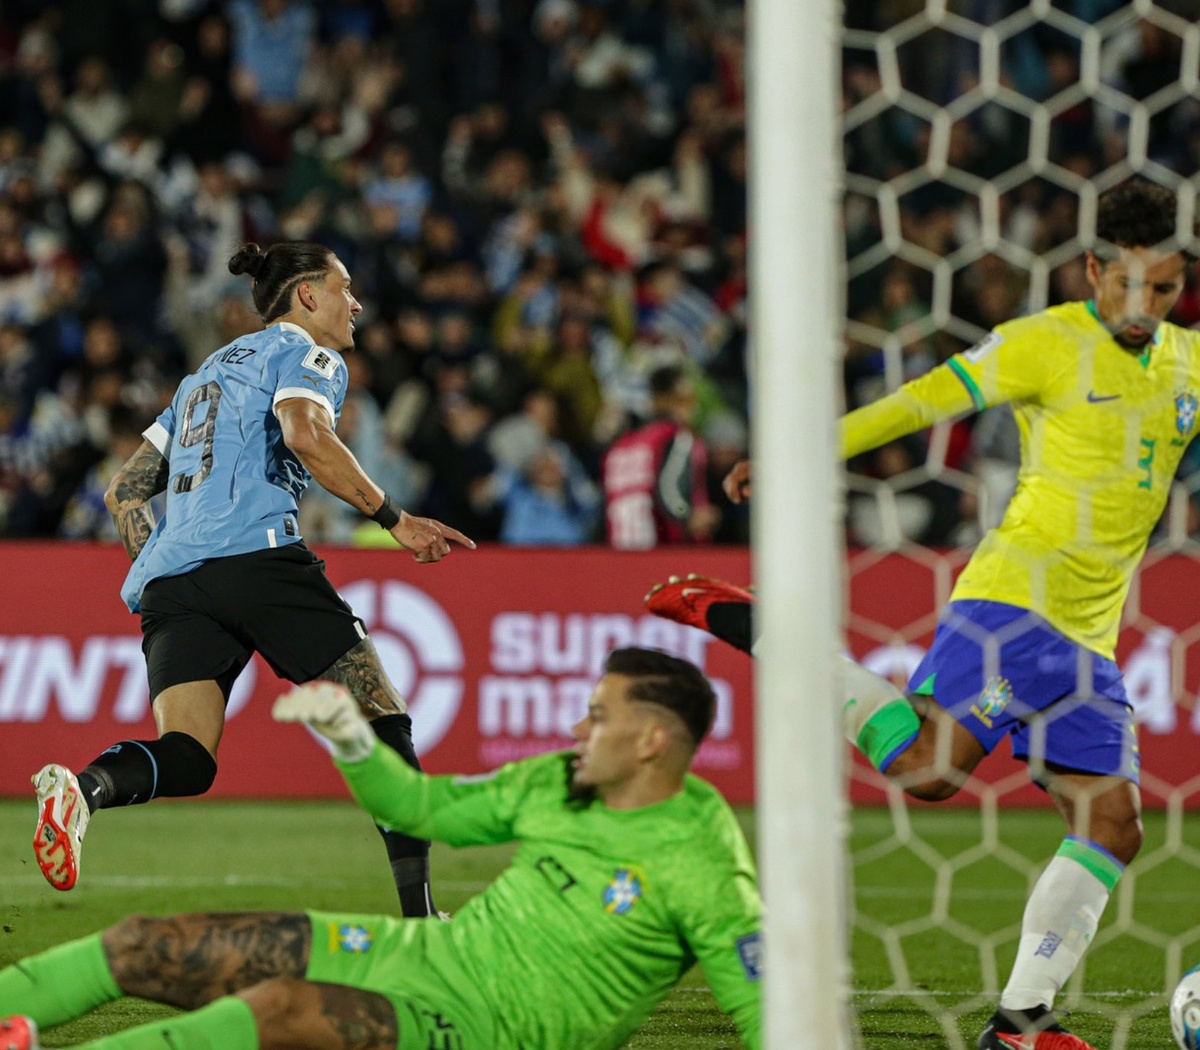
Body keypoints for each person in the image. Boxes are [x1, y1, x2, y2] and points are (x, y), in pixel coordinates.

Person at [647, 176, 1200, 1050]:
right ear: (1093, 270)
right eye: (1127, 283)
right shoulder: (1042, 343)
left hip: (1093, 637)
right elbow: (918, 402)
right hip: (1016, 600)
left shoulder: (1188, 366)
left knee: (1113, 824)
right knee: (931, 771)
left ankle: (1018, 1028)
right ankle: (765, 630)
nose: (1142, 305)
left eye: (1164, 289)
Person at [1, 647, 763, 1050]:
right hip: (425, 958)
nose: (577, 730)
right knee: (148, 942)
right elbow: (421, 807)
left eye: (598, 716)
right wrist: (353, 740)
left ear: (653, 741)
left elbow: (771, 1018)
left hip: (490, 1034)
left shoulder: (705, 863)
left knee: (278, 1010)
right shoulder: (559, 781)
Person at [31, 240, 475, 920]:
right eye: (344, 288)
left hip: (172, 582)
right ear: (306, 297)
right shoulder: (307, 353)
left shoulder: (202, 375)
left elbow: (124, 490)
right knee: (383, 716)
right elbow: (304, 434)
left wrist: (166, 563)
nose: (355, 303)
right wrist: (395, 518)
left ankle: (86, 788)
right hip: (259, 555)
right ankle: (420, 915)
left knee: (189, 756)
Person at [602, 362, 720, 549]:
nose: (693, 406)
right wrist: (686, 516)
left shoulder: (618, 448)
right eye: (685, 399)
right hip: (667, 551)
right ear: (663, 399)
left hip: (621, 553)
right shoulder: (679, 437)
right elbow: (669, 490)